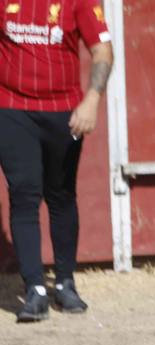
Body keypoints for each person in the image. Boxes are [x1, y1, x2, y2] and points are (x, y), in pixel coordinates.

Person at [0, 0, 113, 323]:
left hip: (63, 112)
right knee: (24, 193)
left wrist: (92, 100)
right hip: (11, 107)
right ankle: (34, 289)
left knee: (61, 194)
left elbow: (103, 51)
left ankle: (65, 282)